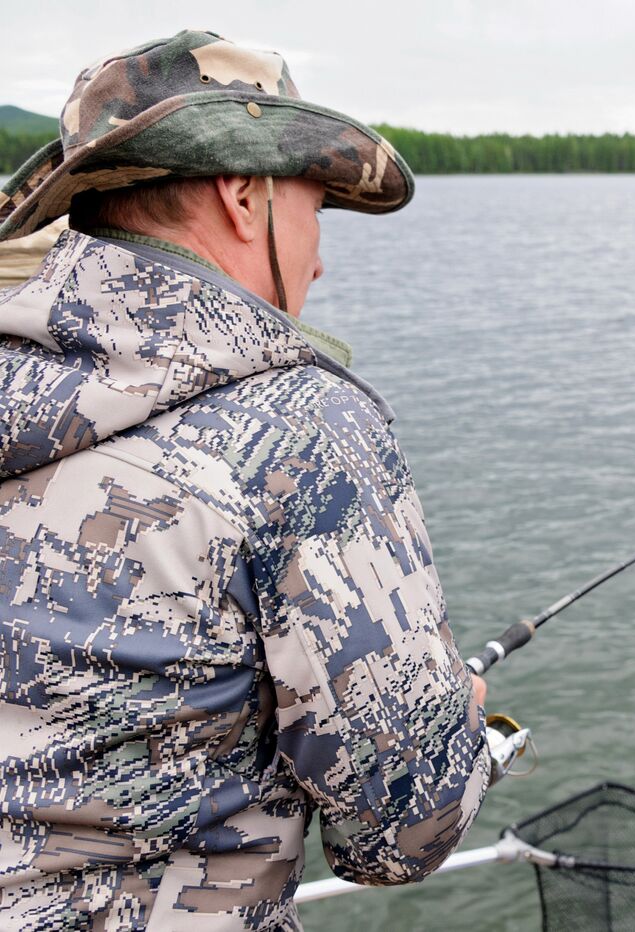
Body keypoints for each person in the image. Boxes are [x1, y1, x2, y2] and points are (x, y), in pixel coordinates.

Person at [0, 30, 490, 930]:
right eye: (312, 209)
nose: (319, 257)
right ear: (244, 195)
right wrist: (454, 716)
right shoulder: (303, 427)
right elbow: (402, 828)